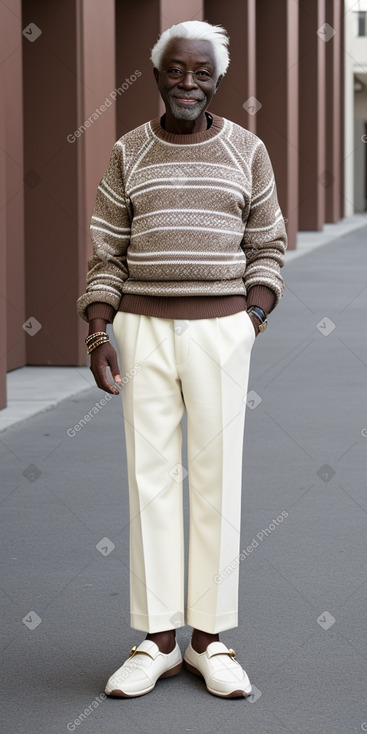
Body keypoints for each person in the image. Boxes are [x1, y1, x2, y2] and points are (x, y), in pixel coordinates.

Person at [77, 19, 287, 699]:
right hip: (140, 328)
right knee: (152, 480)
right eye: (176, 70)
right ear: (158, 75)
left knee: (214, 481)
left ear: (217, 79)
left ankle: (210, 639)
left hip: (221, 329)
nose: (187, 82)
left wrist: (249, 317)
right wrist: (98, 330)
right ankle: (156, 639)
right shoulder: (128, 151)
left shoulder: (247, 149)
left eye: (201, 71)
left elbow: (268, 244)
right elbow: (105, 249)